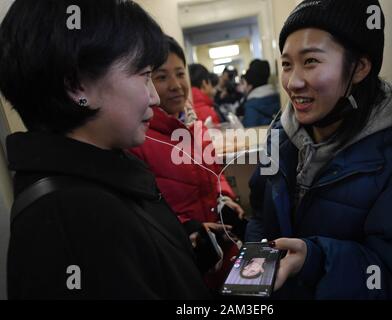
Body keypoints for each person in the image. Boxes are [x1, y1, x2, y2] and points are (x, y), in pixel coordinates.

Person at [0, 0, 210, 299]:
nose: (153, 97)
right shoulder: (71, 220)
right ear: (77, 87)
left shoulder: (102, 174)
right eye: (144, 75)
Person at [246, 0, 392, 299]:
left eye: (310, 61)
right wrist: (251, 278)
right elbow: (259, 213)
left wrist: (315, 260)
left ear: (359, 67)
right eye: (286, 64)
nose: (293, 82)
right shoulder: (279, 133)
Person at [129, 36, 244, 290]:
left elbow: (216, 173)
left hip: (219, 255)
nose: (176, 85)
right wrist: (190, 229)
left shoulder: (196, 126)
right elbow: (144, 214)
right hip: (184, 261)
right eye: (161, 77)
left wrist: (226, 198)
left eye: (180, 73)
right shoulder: (138, 139)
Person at [241, 59, 281, 127]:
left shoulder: (251, 106)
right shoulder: (279, 97)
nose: (242, 87)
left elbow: (251, 133)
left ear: (250, 85)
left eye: (243, 83)